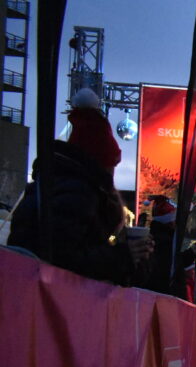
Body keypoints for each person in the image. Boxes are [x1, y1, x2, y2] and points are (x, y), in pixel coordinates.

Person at [8, 88, 153, 286]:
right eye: (112, 164)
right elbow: (63, 260)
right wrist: (123, 255)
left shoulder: (54, 182)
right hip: (48, 295)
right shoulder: (78, 192)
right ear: (101, 163)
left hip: (28, 288)